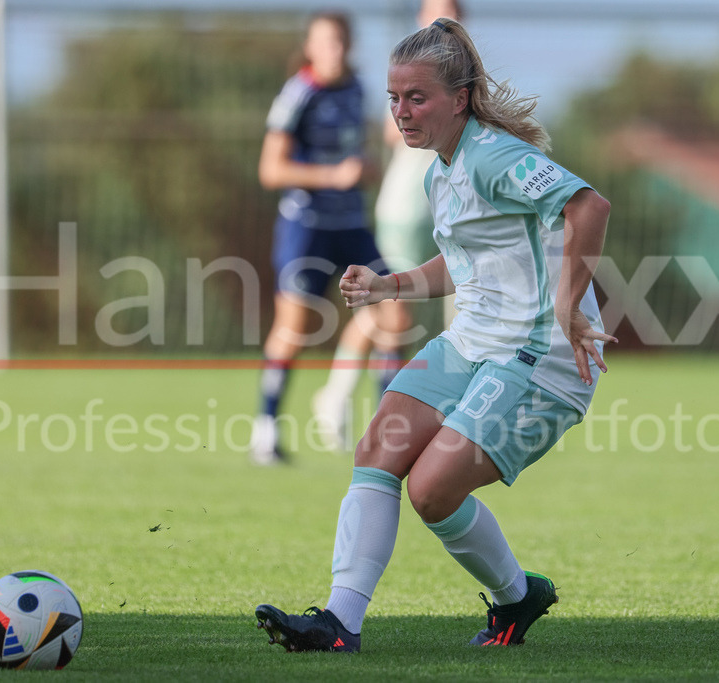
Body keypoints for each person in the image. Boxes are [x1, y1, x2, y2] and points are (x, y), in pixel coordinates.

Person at [254, 17, 617, 652]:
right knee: (378, 449)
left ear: (460, 98)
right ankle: (340, 623)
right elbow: (465, 263)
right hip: (473, 343)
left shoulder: (496, 155)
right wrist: (386, 287)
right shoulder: (439, 171)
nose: (400, 111)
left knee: (430, 490)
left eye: (416, 98)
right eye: (394, 98)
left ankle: (516, 597)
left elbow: (588, 205)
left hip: (540, 358)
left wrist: (568, 304)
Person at [310, 0, 464, 453]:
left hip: (443, 213)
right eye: (434, 11)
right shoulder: (413, 69)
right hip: (404, 209)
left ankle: (433, 414)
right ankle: (342, 401)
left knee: (425, 310)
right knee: (388, 305)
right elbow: (389, 130)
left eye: (452, 10)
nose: (443, 19)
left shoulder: (465, 77)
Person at [250, 11, 401, 465]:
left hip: (351, 225)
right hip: (307, 226)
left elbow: (363, 156)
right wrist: (333, 176)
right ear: (311, 47)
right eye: (325, 42)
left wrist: (364, 171)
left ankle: (388, 436)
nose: (333, 50)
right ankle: (265, 431)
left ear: (349, 45)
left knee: (394, 308)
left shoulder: (358, 90)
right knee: (294, 330)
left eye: (340, 41)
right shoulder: (299, 92)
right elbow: (271, 169)